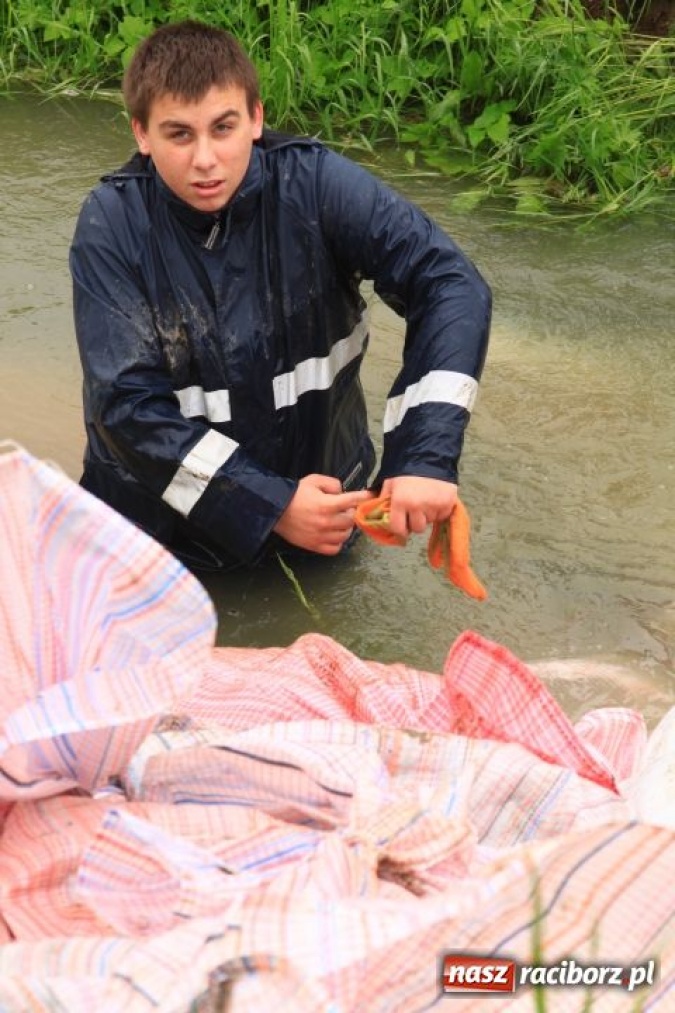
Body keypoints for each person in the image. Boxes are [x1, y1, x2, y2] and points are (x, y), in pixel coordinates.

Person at [70, 20, 491, 572]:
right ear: (142, 136)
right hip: (159, 544)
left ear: (257, 119)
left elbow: (449, 283)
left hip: (326, 520)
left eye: (223, 128)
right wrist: (270, 505)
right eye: (179, 135)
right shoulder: (112, 224)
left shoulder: (316, 186)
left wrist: (424, 457)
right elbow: (126, 408)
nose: (205, 159)